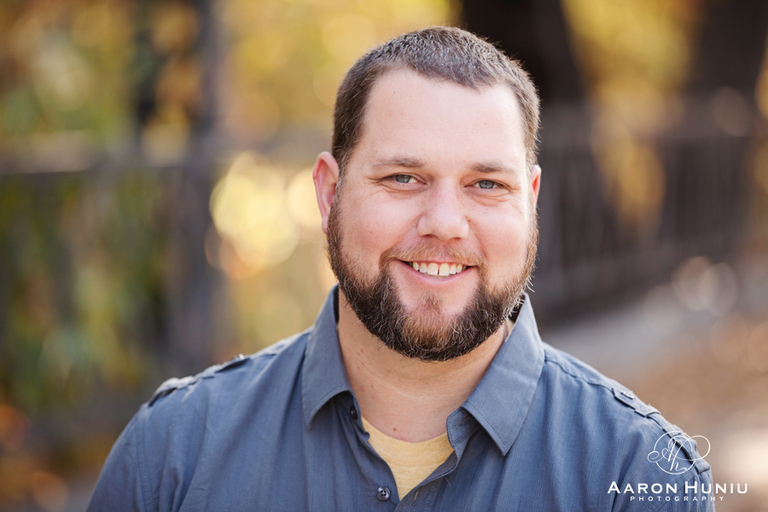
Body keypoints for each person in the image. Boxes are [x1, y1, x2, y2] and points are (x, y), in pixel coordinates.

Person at [88, 27, 714, 511]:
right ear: (330, 193)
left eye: (486, 184)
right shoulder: (175, 455)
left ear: (530, 199)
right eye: (403, 178)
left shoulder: (639, 476)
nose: (445, 222)